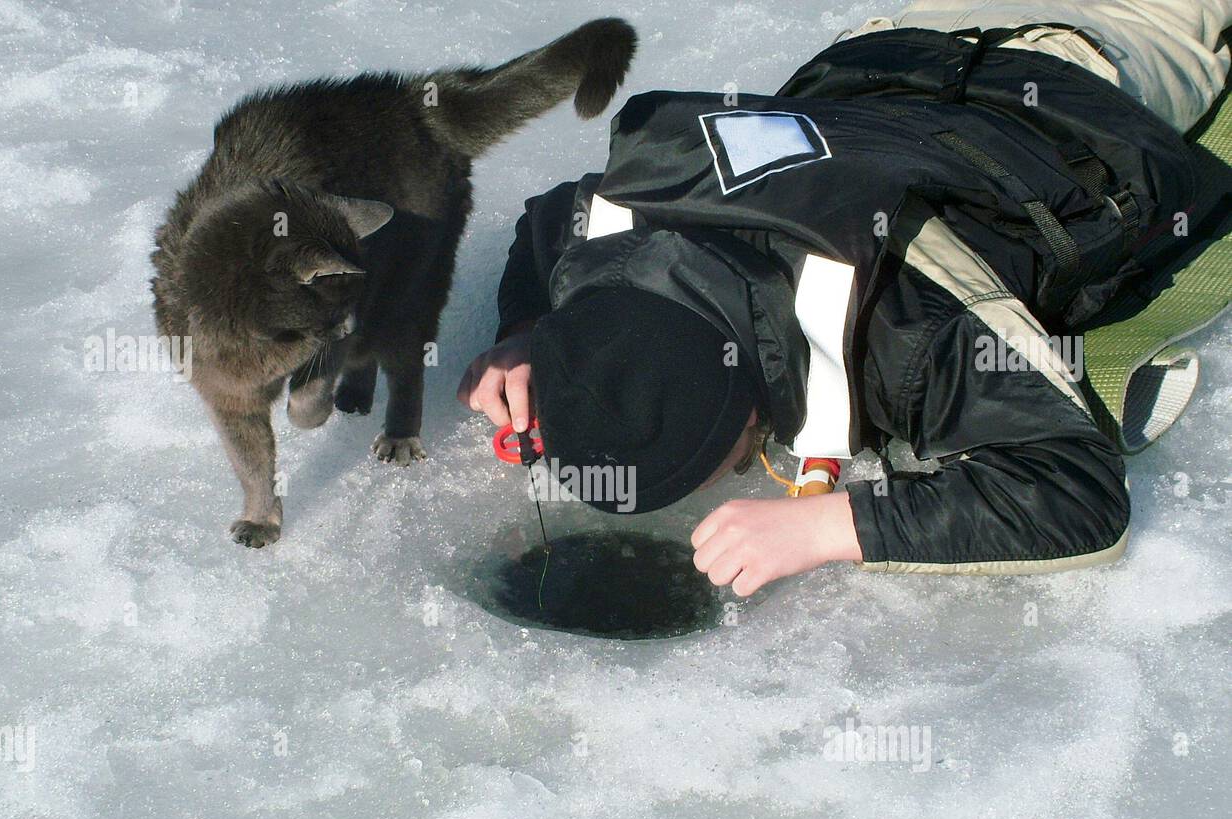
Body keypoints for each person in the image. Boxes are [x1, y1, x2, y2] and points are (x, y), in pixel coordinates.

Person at [458, 1, 1232, 595]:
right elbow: (548, 220)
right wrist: (532, 337)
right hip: (899, 47)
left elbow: (1077, 491)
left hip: (1088, 56)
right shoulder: (606, 241)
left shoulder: (905, 329)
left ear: (750, 415)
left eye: (719, 465)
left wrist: (834, 525)